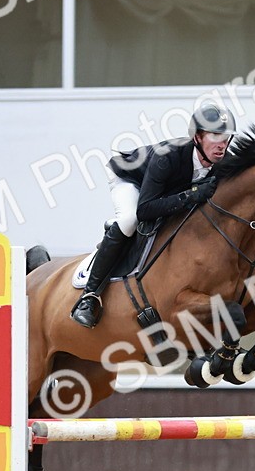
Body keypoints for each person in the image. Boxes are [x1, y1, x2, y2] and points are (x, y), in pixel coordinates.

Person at [70, 102, 236, 328]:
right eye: (215, 136)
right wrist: (191, 195)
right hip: (131, 179)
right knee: (130, 220)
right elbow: (145, 209)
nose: (222, 145)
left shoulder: (222, 163)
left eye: (226, 138)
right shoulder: (167, 156)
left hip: (163, 191)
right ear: (197, 136)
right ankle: (89, 297)